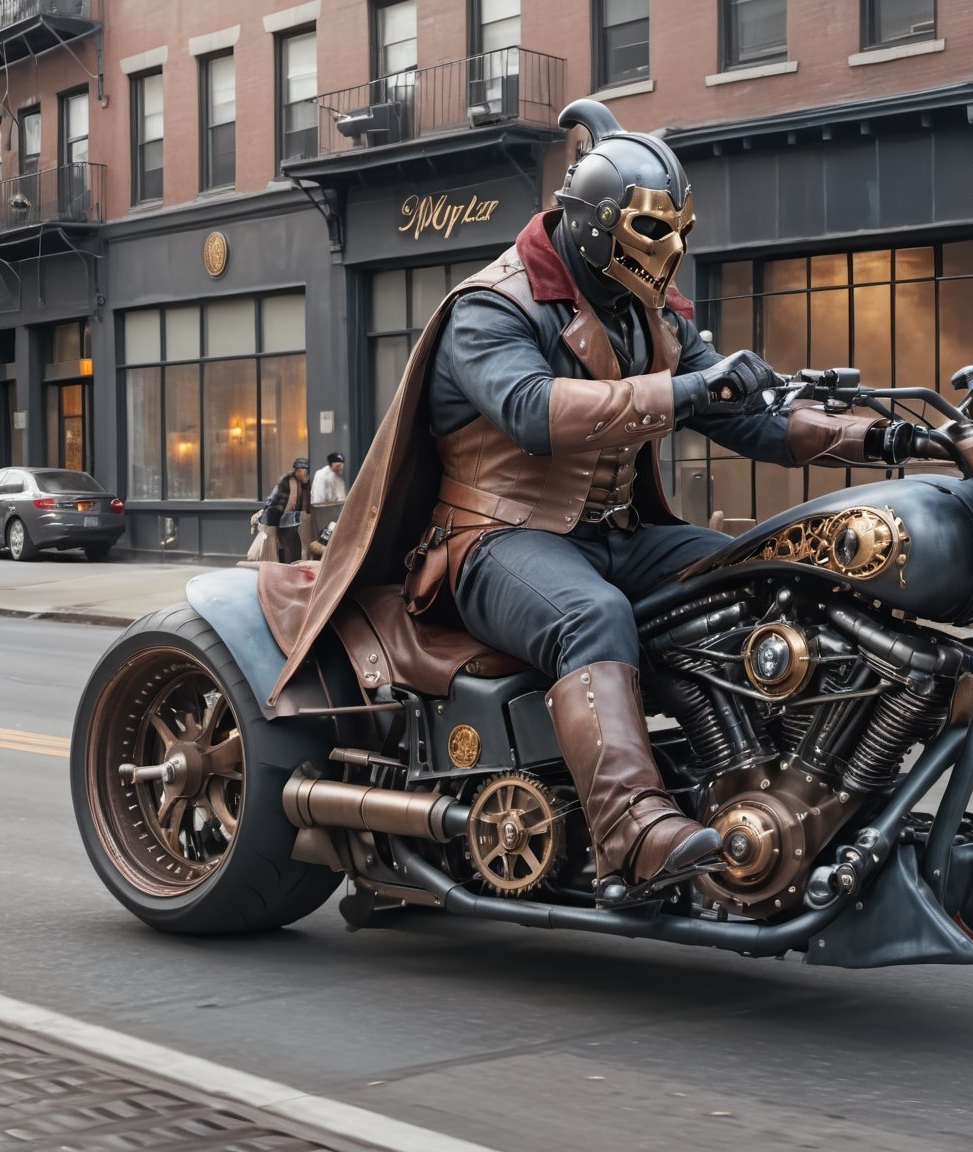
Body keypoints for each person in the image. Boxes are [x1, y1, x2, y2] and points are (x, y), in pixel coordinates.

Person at [392, 99, 912, 906]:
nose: (671, 250)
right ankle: (631, 830)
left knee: (767, 573)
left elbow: (749, 417)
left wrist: (876, 440)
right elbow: (533, 411)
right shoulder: (491, 305)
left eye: (677, 229)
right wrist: (690, 385)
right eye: (651, 231)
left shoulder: (652, 310)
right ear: (597, 225)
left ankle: (779, 782)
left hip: (618, 533)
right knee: (591, 616)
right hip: (495, 539)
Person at [261, 458, 311, 564]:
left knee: (290, 545)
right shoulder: (291, 481)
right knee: (290, 545)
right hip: (282, 517)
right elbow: (291, 502)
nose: (305, 471)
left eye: (306, 468)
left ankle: (288, 566)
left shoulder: (301, 482)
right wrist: (283, 517)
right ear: (296, 470)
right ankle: (288, 567)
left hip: (288, 518)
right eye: (302, 468)